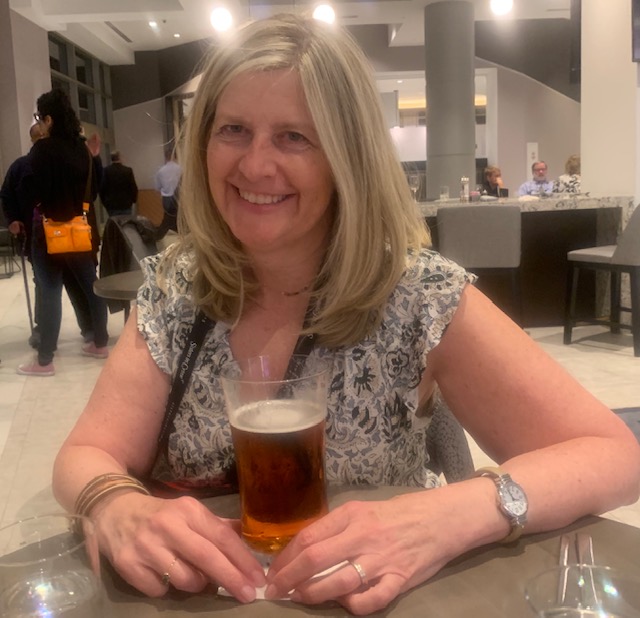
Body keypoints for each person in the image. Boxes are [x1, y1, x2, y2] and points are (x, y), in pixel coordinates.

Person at [52, 15, 640, 616]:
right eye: (233, 130)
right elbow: (84, 455)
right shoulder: (176, 290)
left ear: (346, 156)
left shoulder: (416, 295)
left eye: (293, 137)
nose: (255, 165)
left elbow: (615, 455)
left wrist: (451, 512)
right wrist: (114, 504)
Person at [17, 89, 110, 376]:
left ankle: (44, 360)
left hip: (48, 232)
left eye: (39, 118)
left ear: (48, 119)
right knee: (91, 286)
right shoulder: (82, 150)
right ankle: (100, 343)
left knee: (49, 293)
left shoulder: (42, 150)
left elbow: (28, 191)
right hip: (79, 230)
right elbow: (93, 191)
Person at [1, 123, 95, 348]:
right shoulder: (22, 165)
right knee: (46, 285)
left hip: (64, 233)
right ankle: (46, 331)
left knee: (61, 283)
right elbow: (6, 194)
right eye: (39, 137)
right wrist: (13, 219)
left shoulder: (58, 161)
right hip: (40, 236)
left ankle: (84, 328)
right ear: (33, 140)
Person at [99, 150, 138, 216]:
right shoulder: (127, 170)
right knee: (126, 221)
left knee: (114, 221)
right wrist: (133, 200)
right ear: (119, 158)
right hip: (126, 203)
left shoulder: (106, 171)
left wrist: (105, 202)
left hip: (111, 204)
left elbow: (102, 188)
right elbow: (133, 187)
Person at [154, 148, 182, 231]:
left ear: (165, 157)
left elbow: (157, 187)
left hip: (166, 198)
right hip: (179, 197)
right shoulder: (181, 169)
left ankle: (168, 233)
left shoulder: (160, 171)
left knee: (168, 218)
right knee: (179, 218)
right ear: (175, 157)